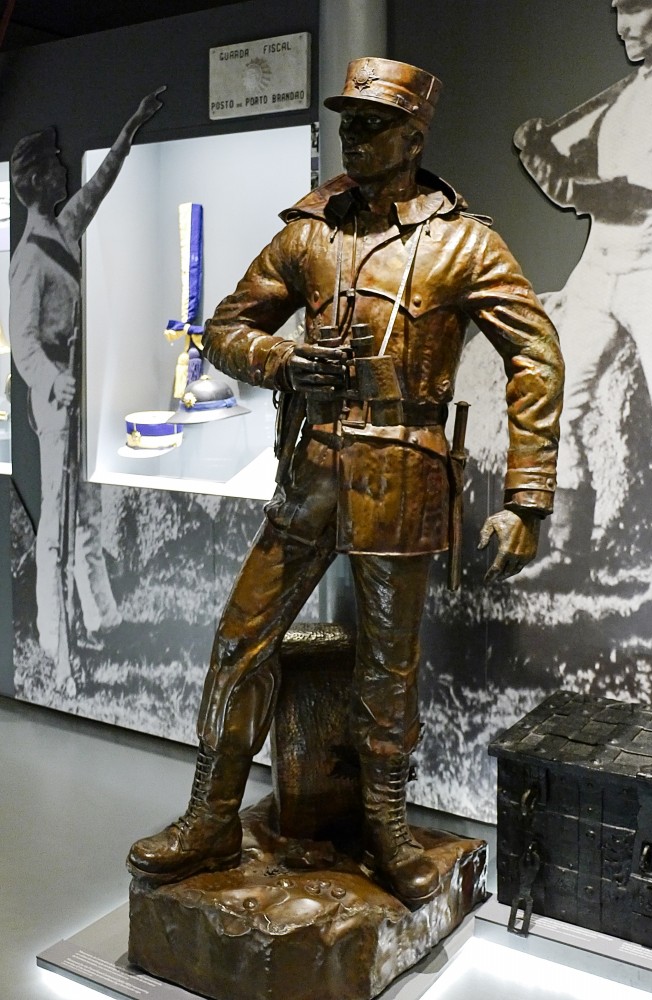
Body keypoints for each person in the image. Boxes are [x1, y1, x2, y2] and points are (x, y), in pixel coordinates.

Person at [127, 58, 563, 908]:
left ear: (414, 136)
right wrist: (282, 358)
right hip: (311, 471)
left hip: (404, 475)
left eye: (372, 123)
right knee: (240, 640)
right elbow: (225, 328)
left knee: (388, 669)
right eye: (346, 123)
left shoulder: (464, 243)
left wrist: (528, 497)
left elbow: (535, 356)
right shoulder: (310, 234)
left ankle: (388, 830)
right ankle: (211, 817)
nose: (352, 137)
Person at [515, 0, 652, 600]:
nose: (622, 26)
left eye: (635, 10)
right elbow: (576, 192)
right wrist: (540, 157)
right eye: (617, 10)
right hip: (598, 271)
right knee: (556, 405)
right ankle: (569, 554)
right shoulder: (622, 98)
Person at [9, 89, 164, 690]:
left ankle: (100, 616)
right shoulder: (29, 259)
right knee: (55, 522)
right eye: (54, 165)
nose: (64, 170)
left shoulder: (63, 227)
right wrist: (55, 380)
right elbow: (23, 344)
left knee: (87, 510)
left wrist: (129, 128)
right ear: (34, 182)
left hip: (78, 393)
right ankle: (56, 639)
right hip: (55, 402)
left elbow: (99, 185)